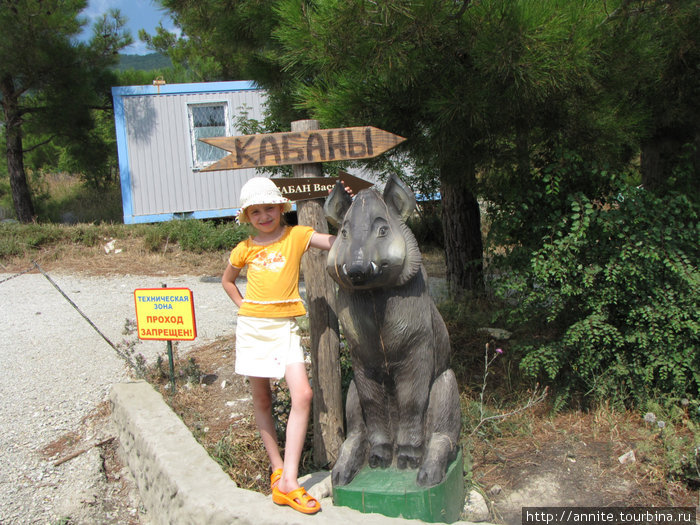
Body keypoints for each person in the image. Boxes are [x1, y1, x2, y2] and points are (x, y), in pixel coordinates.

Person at [221, 177, 337, 515]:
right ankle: (279, 471)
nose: (264, 216)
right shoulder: (244, 247)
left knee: (303, 395)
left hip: (284, 327)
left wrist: (350, 218)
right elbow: (227, 280)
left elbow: (331, 241)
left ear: (282, 207)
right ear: (247, 216)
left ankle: (289, 482)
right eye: (255, 211)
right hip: (253, 327)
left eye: (269, 208)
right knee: (262, 398)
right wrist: (243, 306)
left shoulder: (296, 235)